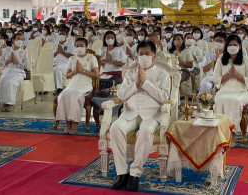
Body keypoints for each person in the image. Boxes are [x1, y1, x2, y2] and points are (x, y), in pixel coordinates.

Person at [110, 41, 170, 191]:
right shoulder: (130, 73)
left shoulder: (163, 74)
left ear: (154, 56)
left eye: (147, 54)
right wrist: (135, 84)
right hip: (130, 112)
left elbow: (164, 98)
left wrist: (145, 83)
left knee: (145, 131)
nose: (143, 57)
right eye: (140, 54)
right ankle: (122, 173)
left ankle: (135, 174)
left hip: (151, 114)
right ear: (136, 56)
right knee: (115, 128)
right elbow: (121, 95)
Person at [212, 34, 248, 132]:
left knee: (235, 100)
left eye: (235, 45)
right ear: (226, 46)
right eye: (230, 44)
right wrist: (228, 76)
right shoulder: (220, 60)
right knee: (221, 100)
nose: (232, 47)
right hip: (224, 90)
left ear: (240, 46)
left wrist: (237, 76)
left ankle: (232, 130)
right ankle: (220, 130)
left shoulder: (246, 60)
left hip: (241, 92)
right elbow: (215, 78)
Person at [56, 38, 99, 134]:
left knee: (76, 95)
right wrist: (75, 71)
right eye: (77, 46)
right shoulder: (72, 58)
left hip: (85, 84)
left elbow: (96, 75)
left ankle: (75, 122)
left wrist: (82, 70)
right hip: (73, 83)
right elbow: (67, 76)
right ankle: (68, 122)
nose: (79, 48)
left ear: (86, 47)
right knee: (64, 94)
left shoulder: (91, 58)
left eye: (81, 46)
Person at [0, 32, 28, 111]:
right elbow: (1, 63)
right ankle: (5, 102)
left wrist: (16, 61)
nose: (20, 41)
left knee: (11, 82)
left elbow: (25, 65)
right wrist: (8, 61)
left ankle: (10, 104)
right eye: (18, 39)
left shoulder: (24, 52)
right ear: (13, 40)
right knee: (2, 81)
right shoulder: (7, 50)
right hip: (7, 71)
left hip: (18, 73)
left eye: (21, 39)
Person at [53, 27, 75, 95]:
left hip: (65, 63)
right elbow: (51, 55)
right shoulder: (55, 45)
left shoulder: (70, 45)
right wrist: (58, 51)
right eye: (60, 34)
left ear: (66, 36)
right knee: (47, 69)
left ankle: (59, 88)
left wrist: (62, 51)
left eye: (63, 34)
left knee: (57, 68)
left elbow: (72, 56)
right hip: (54, 62)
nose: (61, 35)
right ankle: (46, 88)